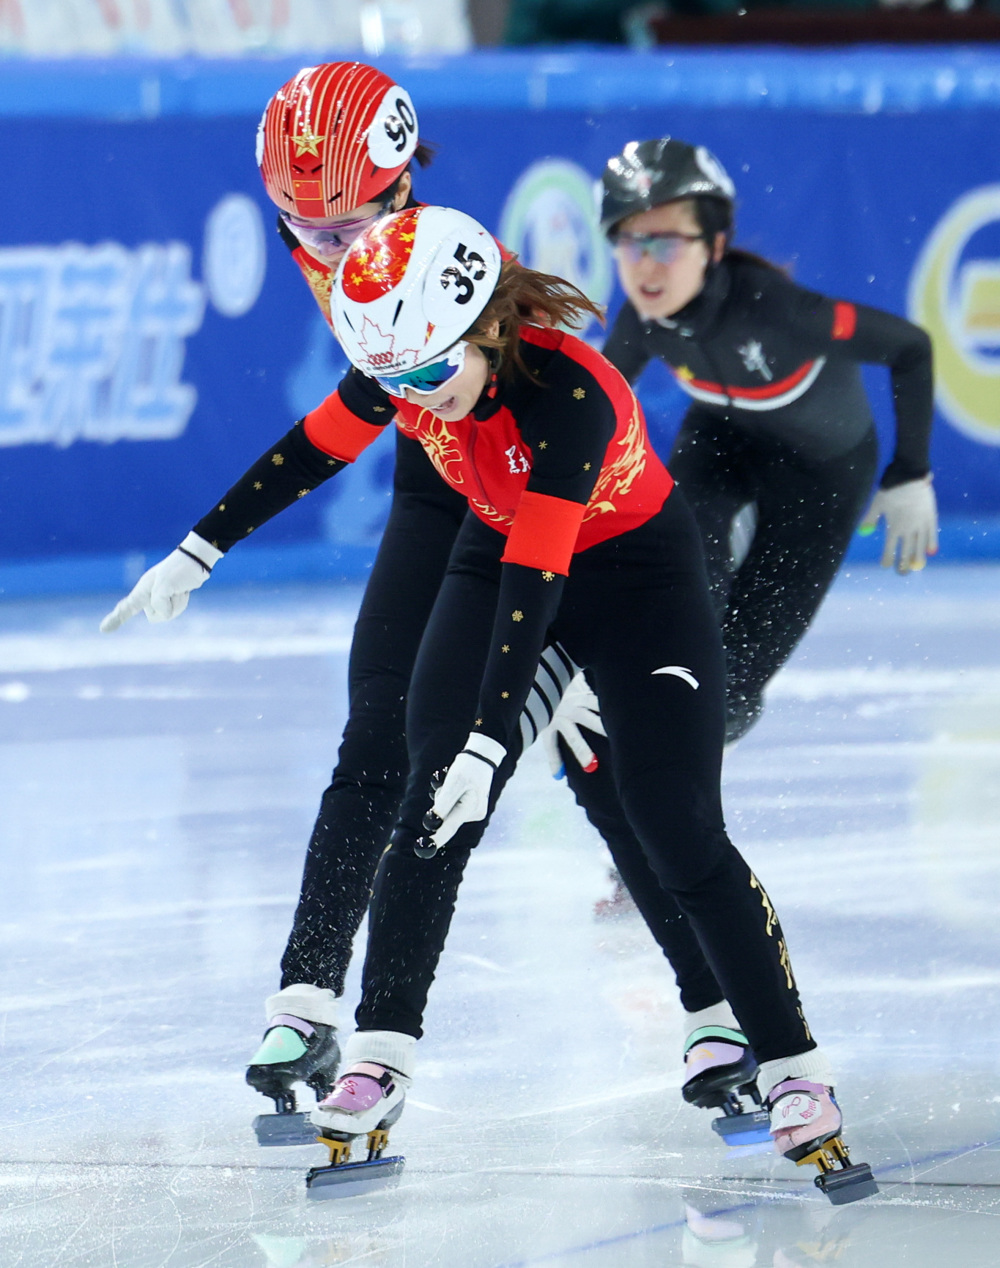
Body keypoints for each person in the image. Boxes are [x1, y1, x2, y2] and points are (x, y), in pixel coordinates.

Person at [98, 64, 756, 1143]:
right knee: (380, 730)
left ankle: (714, 1007)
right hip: (432, 468)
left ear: (406, 188)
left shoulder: (449, 276)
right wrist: (198, 547)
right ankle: (308, 1000)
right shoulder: (338, 243)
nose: (331, 251)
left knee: (591, 751)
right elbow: (339, 418)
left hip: (525, 488)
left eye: (351, 222)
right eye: (301, 231)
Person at [293, 204, 873, 1200]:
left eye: (429, 376)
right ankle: (379, 1051)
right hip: (502, 559)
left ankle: (793, 1067)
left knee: (673, 822)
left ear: (484, 330)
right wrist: (198, 548)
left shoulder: (569, 394)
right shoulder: (418, 362)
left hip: (633, 581)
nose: (415, 400)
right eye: (396, 384)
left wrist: (494, 736)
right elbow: (324, 449)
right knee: (434, 804)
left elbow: (539, 583)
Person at [598, 136, 937, 743]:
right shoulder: (639, 320)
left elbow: (910, 347)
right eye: (630, 241)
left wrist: (910, 471)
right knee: (677, 589)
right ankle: (639, 736)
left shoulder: (781, 312)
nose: (646, 264)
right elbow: (590, 412)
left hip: (823, 478)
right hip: (722, 442)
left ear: (715, 246)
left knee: (730, 689)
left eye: (666, 242)